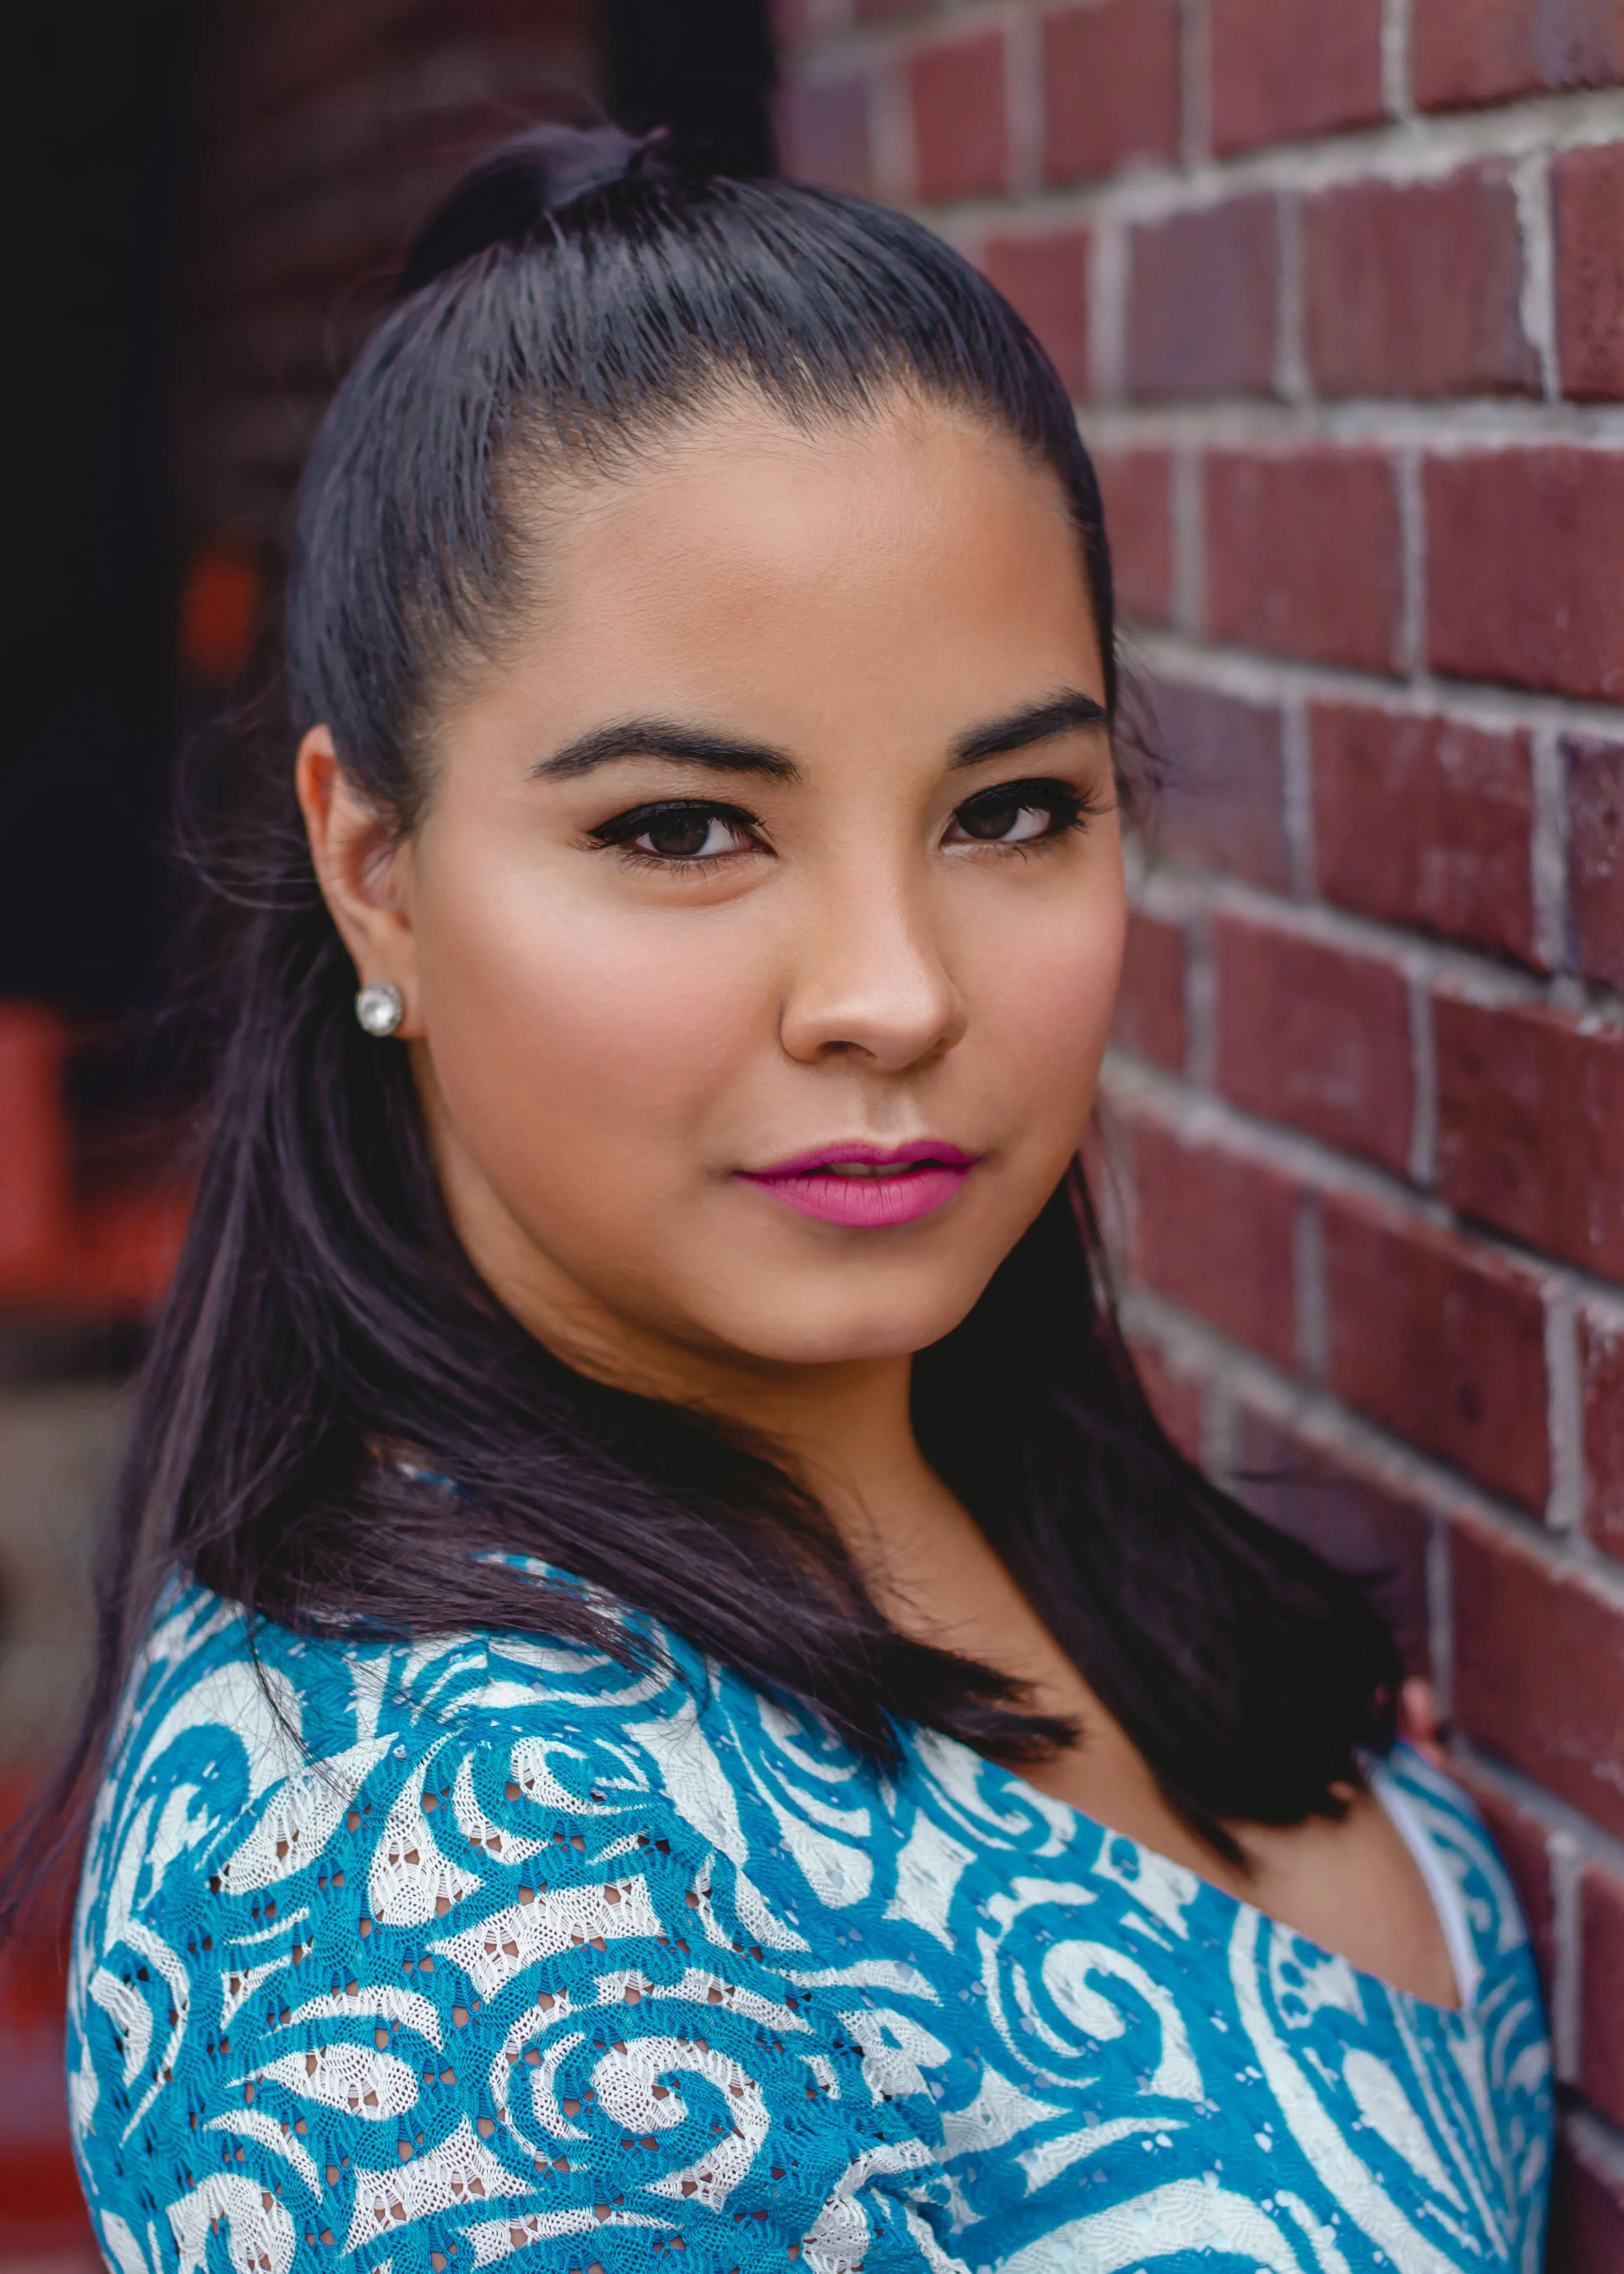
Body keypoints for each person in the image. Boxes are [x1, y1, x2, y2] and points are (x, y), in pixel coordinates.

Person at [57, 125, 1549, 2271]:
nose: (894, 993)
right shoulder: (442, 1927)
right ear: (371, 865)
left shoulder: (1013, 1490)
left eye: (1013, 806)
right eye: (683, 829)